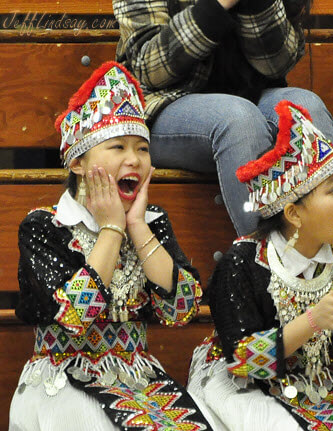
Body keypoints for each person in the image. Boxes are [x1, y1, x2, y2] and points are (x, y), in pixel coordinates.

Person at [9, 62, 212, 430]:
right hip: (62, 378)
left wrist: (136, 225)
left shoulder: (152, 222)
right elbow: (75, 318)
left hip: (140, 380)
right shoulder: (44, 225)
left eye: (142, 148)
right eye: (117, 146)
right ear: (77, 162)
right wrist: (112, 229)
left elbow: (180, 309)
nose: (133, 159)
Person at [186, 100, 333, 430]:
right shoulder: (243, 262)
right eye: (332, 191)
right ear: (294, 214)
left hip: (314, 386)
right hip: (242, 386)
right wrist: (313, 320)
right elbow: (242, 361)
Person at [114, 0, 333, 236]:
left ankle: (332, 260)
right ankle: (262, 266)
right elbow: (148, 69)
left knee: (305, 108)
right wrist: (218, 5)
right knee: (239, 119)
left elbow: (277, 63)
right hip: (164, 105)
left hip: (253, 94)